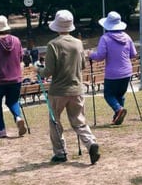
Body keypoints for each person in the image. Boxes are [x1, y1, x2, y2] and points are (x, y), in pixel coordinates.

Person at [38, 10, 100, 164]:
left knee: (55, 121)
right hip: (76, 88)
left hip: (58, 90)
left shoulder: (53, 45)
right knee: (79, 120)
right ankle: (90, 142)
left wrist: (37, 70)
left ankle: (60, 152)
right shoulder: (78, 43)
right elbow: (83, 65)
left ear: (57, 26)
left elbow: (48, 71)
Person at [89, 11, 137, 125]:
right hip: (126, 72)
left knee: (109, 94)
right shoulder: (127, 37)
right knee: (120, 94)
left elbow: (100, 56)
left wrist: (90, 54)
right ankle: (117, 117)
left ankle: (118, 110)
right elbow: (133, 54)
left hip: (112, 73)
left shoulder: (105, 38)